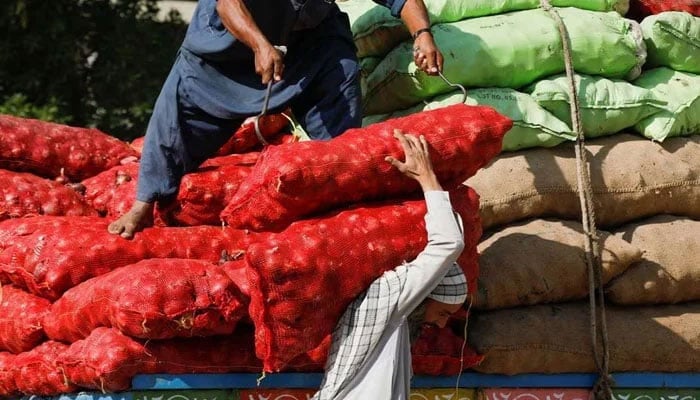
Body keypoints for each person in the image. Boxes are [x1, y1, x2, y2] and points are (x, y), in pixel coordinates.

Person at [108, 0, 445, 239]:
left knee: (341, 70)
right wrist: (259, 44)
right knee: (178, 114)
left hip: (308, 43)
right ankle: (144, 203)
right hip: (227, 45)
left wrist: (422, 35)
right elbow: (228, 5)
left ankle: (337, 189)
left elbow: (402, 0)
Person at [312, 130, 468, 400]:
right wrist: (427, 179)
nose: (441, 325)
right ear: (424, 292)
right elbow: (449, 244)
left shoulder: (393, 319)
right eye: (442, 313)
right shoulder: (388, 298)